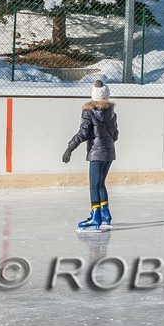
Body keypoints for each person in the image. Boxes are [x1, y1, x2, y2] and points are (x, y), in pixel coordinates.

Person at [64, 80, 119, 230]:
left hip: (97, 153)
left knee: (94, 185)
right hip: (109, 153)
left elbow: (83, 133)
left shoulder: (89, 112)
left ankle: (96, 218)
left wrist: (70, 147)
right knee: (100, 183)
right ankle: (105, 214)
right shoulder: (112, 113)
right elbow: (115, 135)